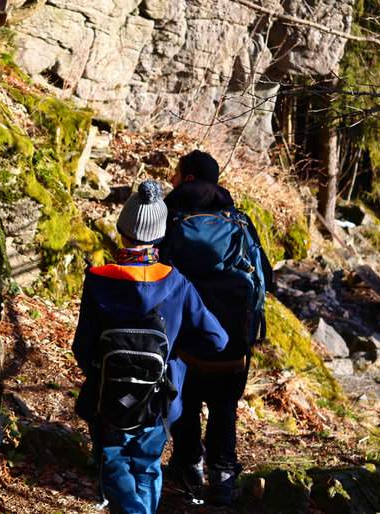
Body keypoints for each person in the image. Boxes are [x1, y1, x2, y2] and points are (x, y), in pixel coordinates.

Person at [73, 180, 229, 514]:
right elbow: (218, 340)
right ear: (159, 235)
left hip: (108, 398)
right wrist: (177, 354)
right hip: (160, 398)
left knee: (114, 463)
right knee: (147, 465)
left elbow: (82, 347)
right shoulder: (177, 282)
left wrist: (106, 372)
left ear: (121, 229)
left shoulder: (99, 279)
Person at [160, 150, 275, 505]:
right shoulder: (238, 221)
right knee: (224, 407)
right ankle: (223, 478)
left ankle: (189, 466)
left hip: (182, 340)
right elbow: (266, 278)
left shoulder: (167, 217)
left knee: (185, 400)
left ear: (190, 177)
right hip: (232, 343)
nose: (173, 179)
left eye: (177, 174)